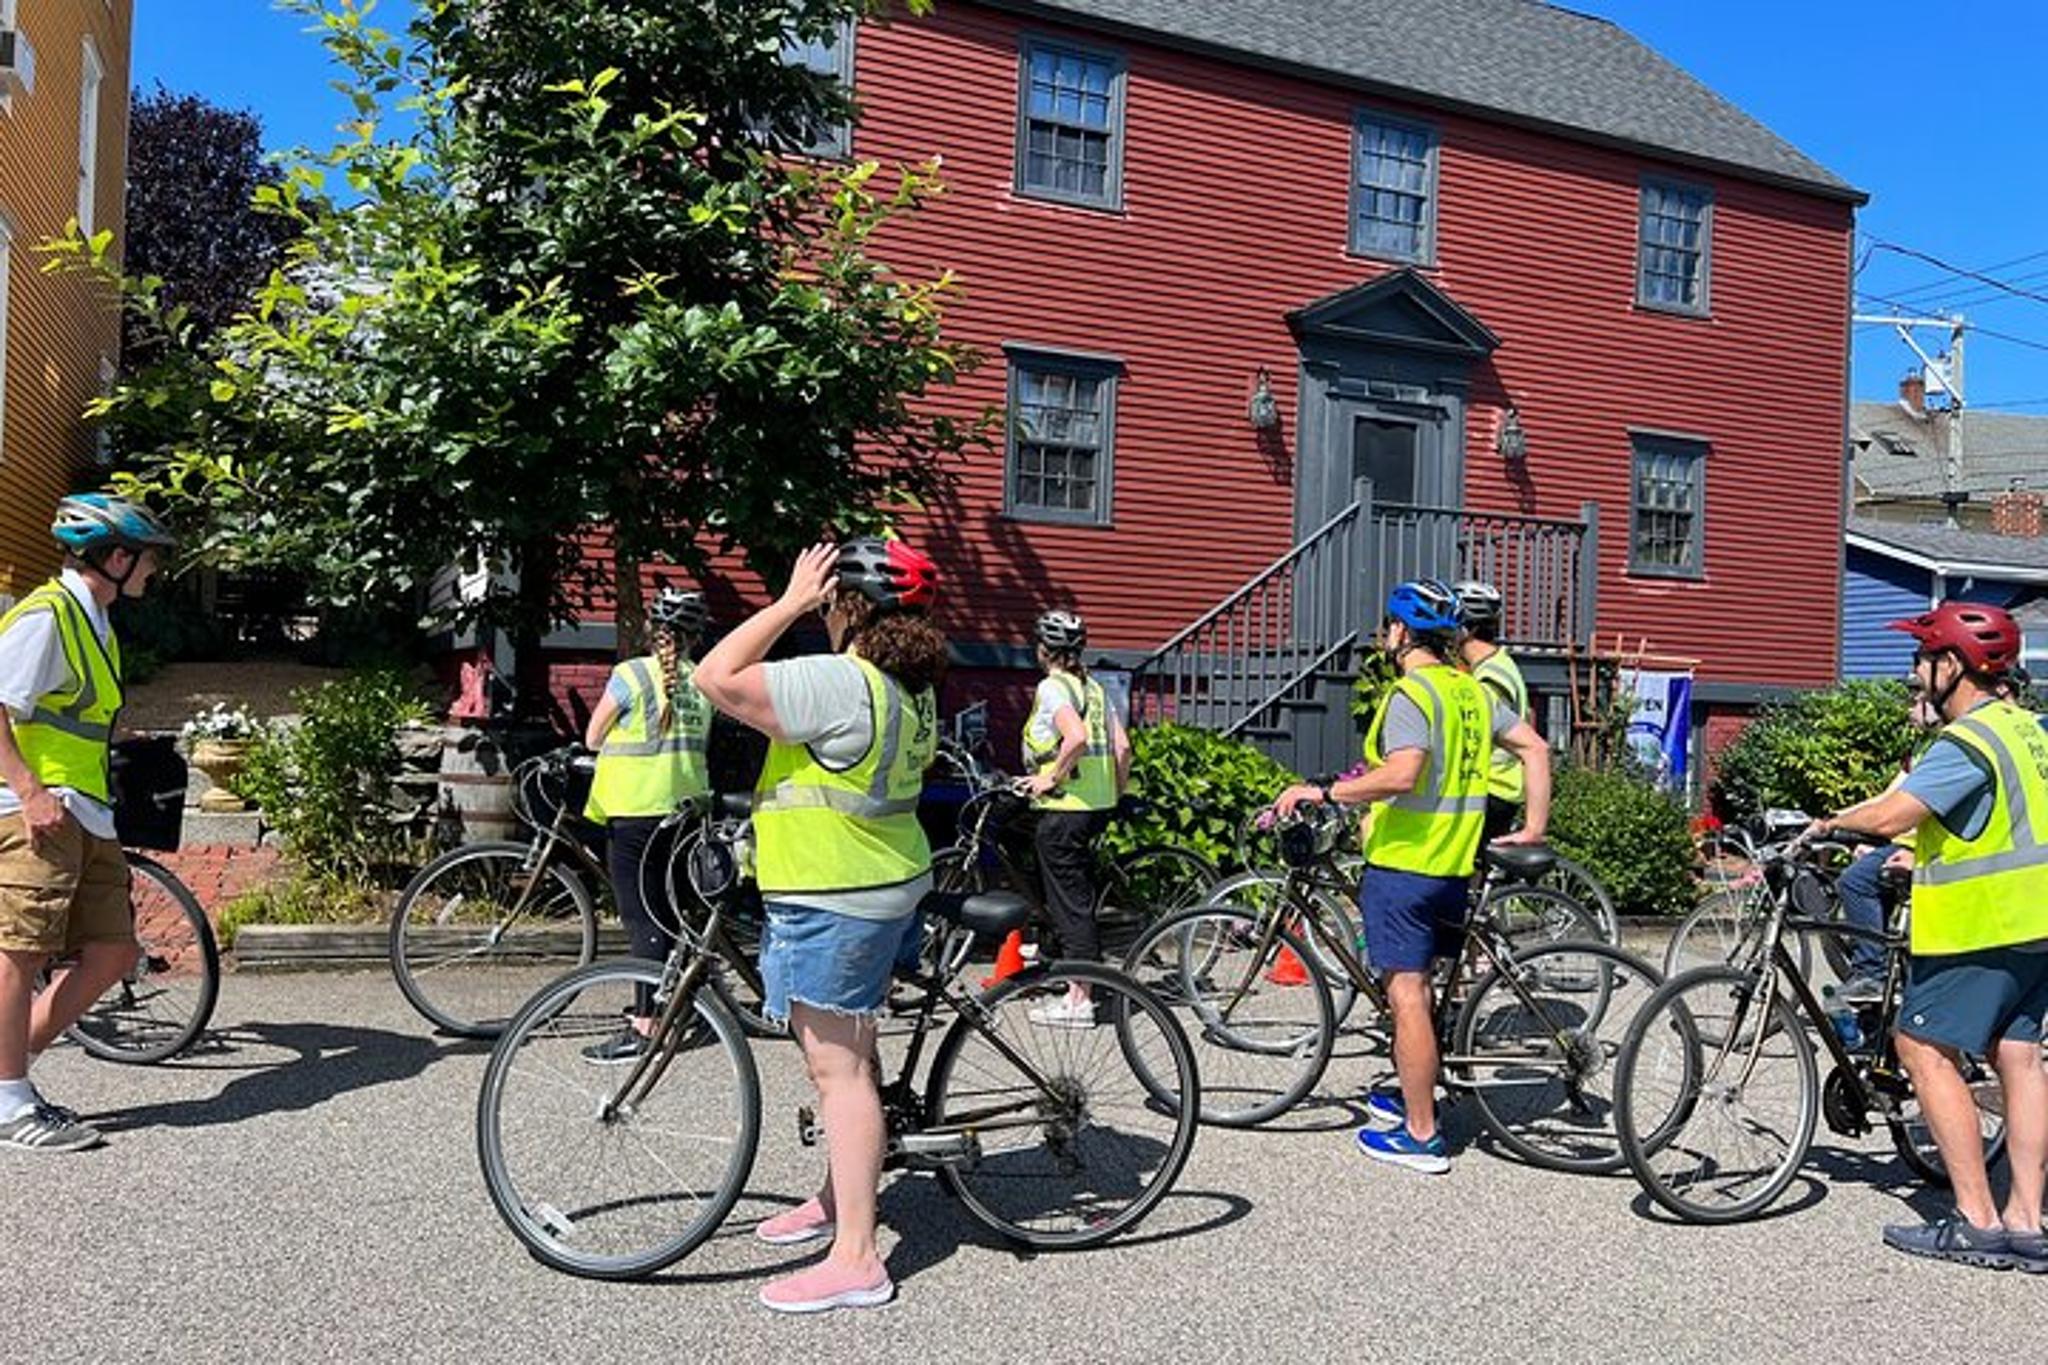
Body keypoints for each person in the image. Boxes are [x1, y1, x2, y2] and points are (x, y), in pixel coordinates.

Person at [693, 537, 943, 1314]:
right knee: (855, 1059)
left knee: (837, 1074)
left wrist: (787, 602)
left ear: (846, 606)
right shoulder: (911, 687)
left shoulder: (841, 681)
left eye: (829, 599)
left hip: (833, 900)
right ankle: (840, 1199)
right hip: (887, 885)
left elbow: (713, 676)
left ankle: (858, 1258)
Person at [1275, 578, 1552, 1175]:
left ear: (1399, 632)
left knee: (1407, 998)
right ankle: (1414, 1092)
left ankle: (1421, 1134)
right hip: (1452, 865)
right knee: (1421, 996)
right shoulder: (1470, 693)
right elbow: (1534, 747)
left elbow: (1402, 775)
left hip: (1406, 867)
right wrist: (1532, 827)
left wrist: (1323, 790)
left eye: (1387, 627)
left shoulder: (1413, 693)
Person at [1814, 601, 2048, 1271]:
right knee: (2020, 1056)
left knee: (1920, 1046)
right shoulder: (2029, 729)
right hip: (2038, 921)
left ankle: (1976, 1218)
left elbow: (1892, 814)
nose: (1917, 674)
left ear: (1953, 664)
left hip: (1984, 924)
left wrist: (1827, 824)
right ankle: (2026, 1221)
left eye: (1923, 660)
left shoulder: (1965, 741)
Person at [0, 493, 177, 1152]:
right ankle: (10, 1101)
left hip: (88, 811)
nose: (153, 570)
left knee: (114, 951)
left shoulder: (94, 618)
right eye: (148, 558)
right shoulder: (46, 616)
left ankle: (8, 1080)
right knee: (21, 950)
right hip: (37, 811)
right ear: (116, 555)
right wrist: (28, 787)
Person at [577, 586, 714, 1063]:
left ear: (654, 630)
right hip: (685, 812)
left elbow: (593, 737)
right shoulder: (704, 681)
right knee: (670, 915)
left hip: (635, 810)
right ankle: (677, 1008)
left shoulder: (632, 674)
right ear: (696, 635)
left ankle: (645, 1027)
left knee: (641, 920)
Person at [1019, 609, 1132, 1028]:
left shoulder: (1053, 688)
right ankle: (1052, 954)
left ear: (1044, 649)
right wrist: (1115, 793)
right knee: (1070, 892)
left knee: (1071, 902)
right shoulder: (1096, 688)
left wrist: (1050, 777)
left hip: (1065, 809)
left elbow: (1077, 738)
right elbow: (1122, 748)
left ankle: (1079, 998)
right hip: (1095, 808)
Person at [1451, 580, 1529, 846]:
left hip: (1491, 788)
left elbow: (1476, 735)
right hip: (1495, 787)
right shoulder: (1497, 663)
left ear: (1466, 629)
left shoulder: (1491, 677)